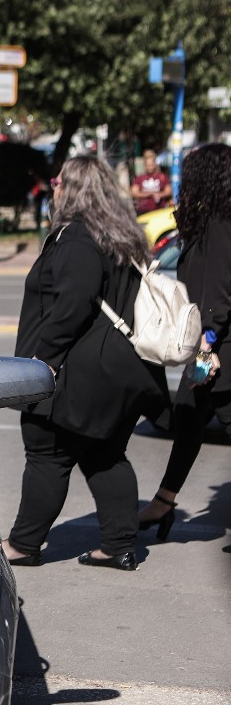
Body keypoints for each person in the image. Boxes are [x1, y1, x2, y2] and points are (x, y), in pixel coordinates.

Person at [2, 156, 168, 572]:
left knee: (46, 449)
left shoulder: (77, 238)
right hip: (119, 371)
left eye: (57, 181)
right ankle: (119, 545)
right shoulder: (120, 236)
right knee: (105, 453)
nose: (52, 188)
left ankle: (23, 544)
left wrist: (45, 363)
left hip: (81, 370)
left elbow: (72, 306)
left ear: (71, 189)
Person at [138, 144, 231, 538]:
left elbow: (221, 291)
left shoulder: (220, 223)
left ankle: (162, 503)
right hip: (210, 342)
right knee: (189, 419)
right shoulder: (209, 219)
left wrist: (207, 342)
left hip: (220, 346)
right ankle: (163, 502)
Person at [130, 149, 172, 214]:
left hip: (160, 210)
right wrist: (148, 194)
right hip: (144, 211)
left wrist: (160, 195)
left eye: (151, 165)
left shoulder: (162, 177)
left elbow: (169, 191)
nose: (150, 167)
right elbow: (134, 192)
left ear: (154, 164)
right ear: (145, 165)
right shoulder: (139, 178)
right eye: (148, 165)